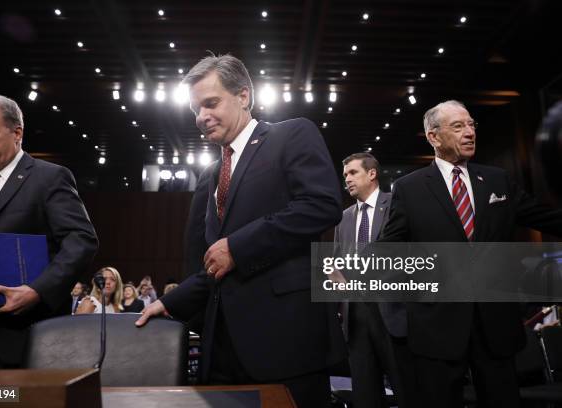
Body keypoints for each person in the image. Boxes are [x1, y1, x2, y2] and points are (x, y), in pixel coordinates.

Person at [136, 54, 345, 408]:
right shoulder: (210, 175)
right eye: (195, 109)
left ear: (244, 96)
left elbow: (322, 205)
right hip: (221, 351)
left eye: (211, 103)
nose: (201, 117)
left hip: (288, 343)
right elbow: (213, 263)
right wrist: (168, 303)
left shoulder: (292, 134)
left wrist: (239, 246)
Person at [381, 100, 562, 407]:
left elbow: (543, 217)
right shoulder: (409, 189)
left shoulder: (496, 179)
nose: (469, 133)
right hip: (438, 328)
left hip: (496, 326)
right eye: (458, 126)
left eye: (471, 125)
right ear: (433, 136)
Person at [0, 93, 98, 369]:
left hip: (22, 337)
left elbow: (81, 241)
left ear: (17, 132)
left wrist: (37, 290)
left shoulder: (49, 178)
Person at [333, 153, 413, 408]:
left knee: (408, 391)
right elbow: (337, 262)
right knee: (366, 395)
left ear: (372, 174)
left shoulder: (397, 204)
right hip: (356, 316)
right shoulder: (343, 217)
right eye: (345, 175)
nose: (347, 179)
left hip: (393, 312)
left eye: (353, 173)